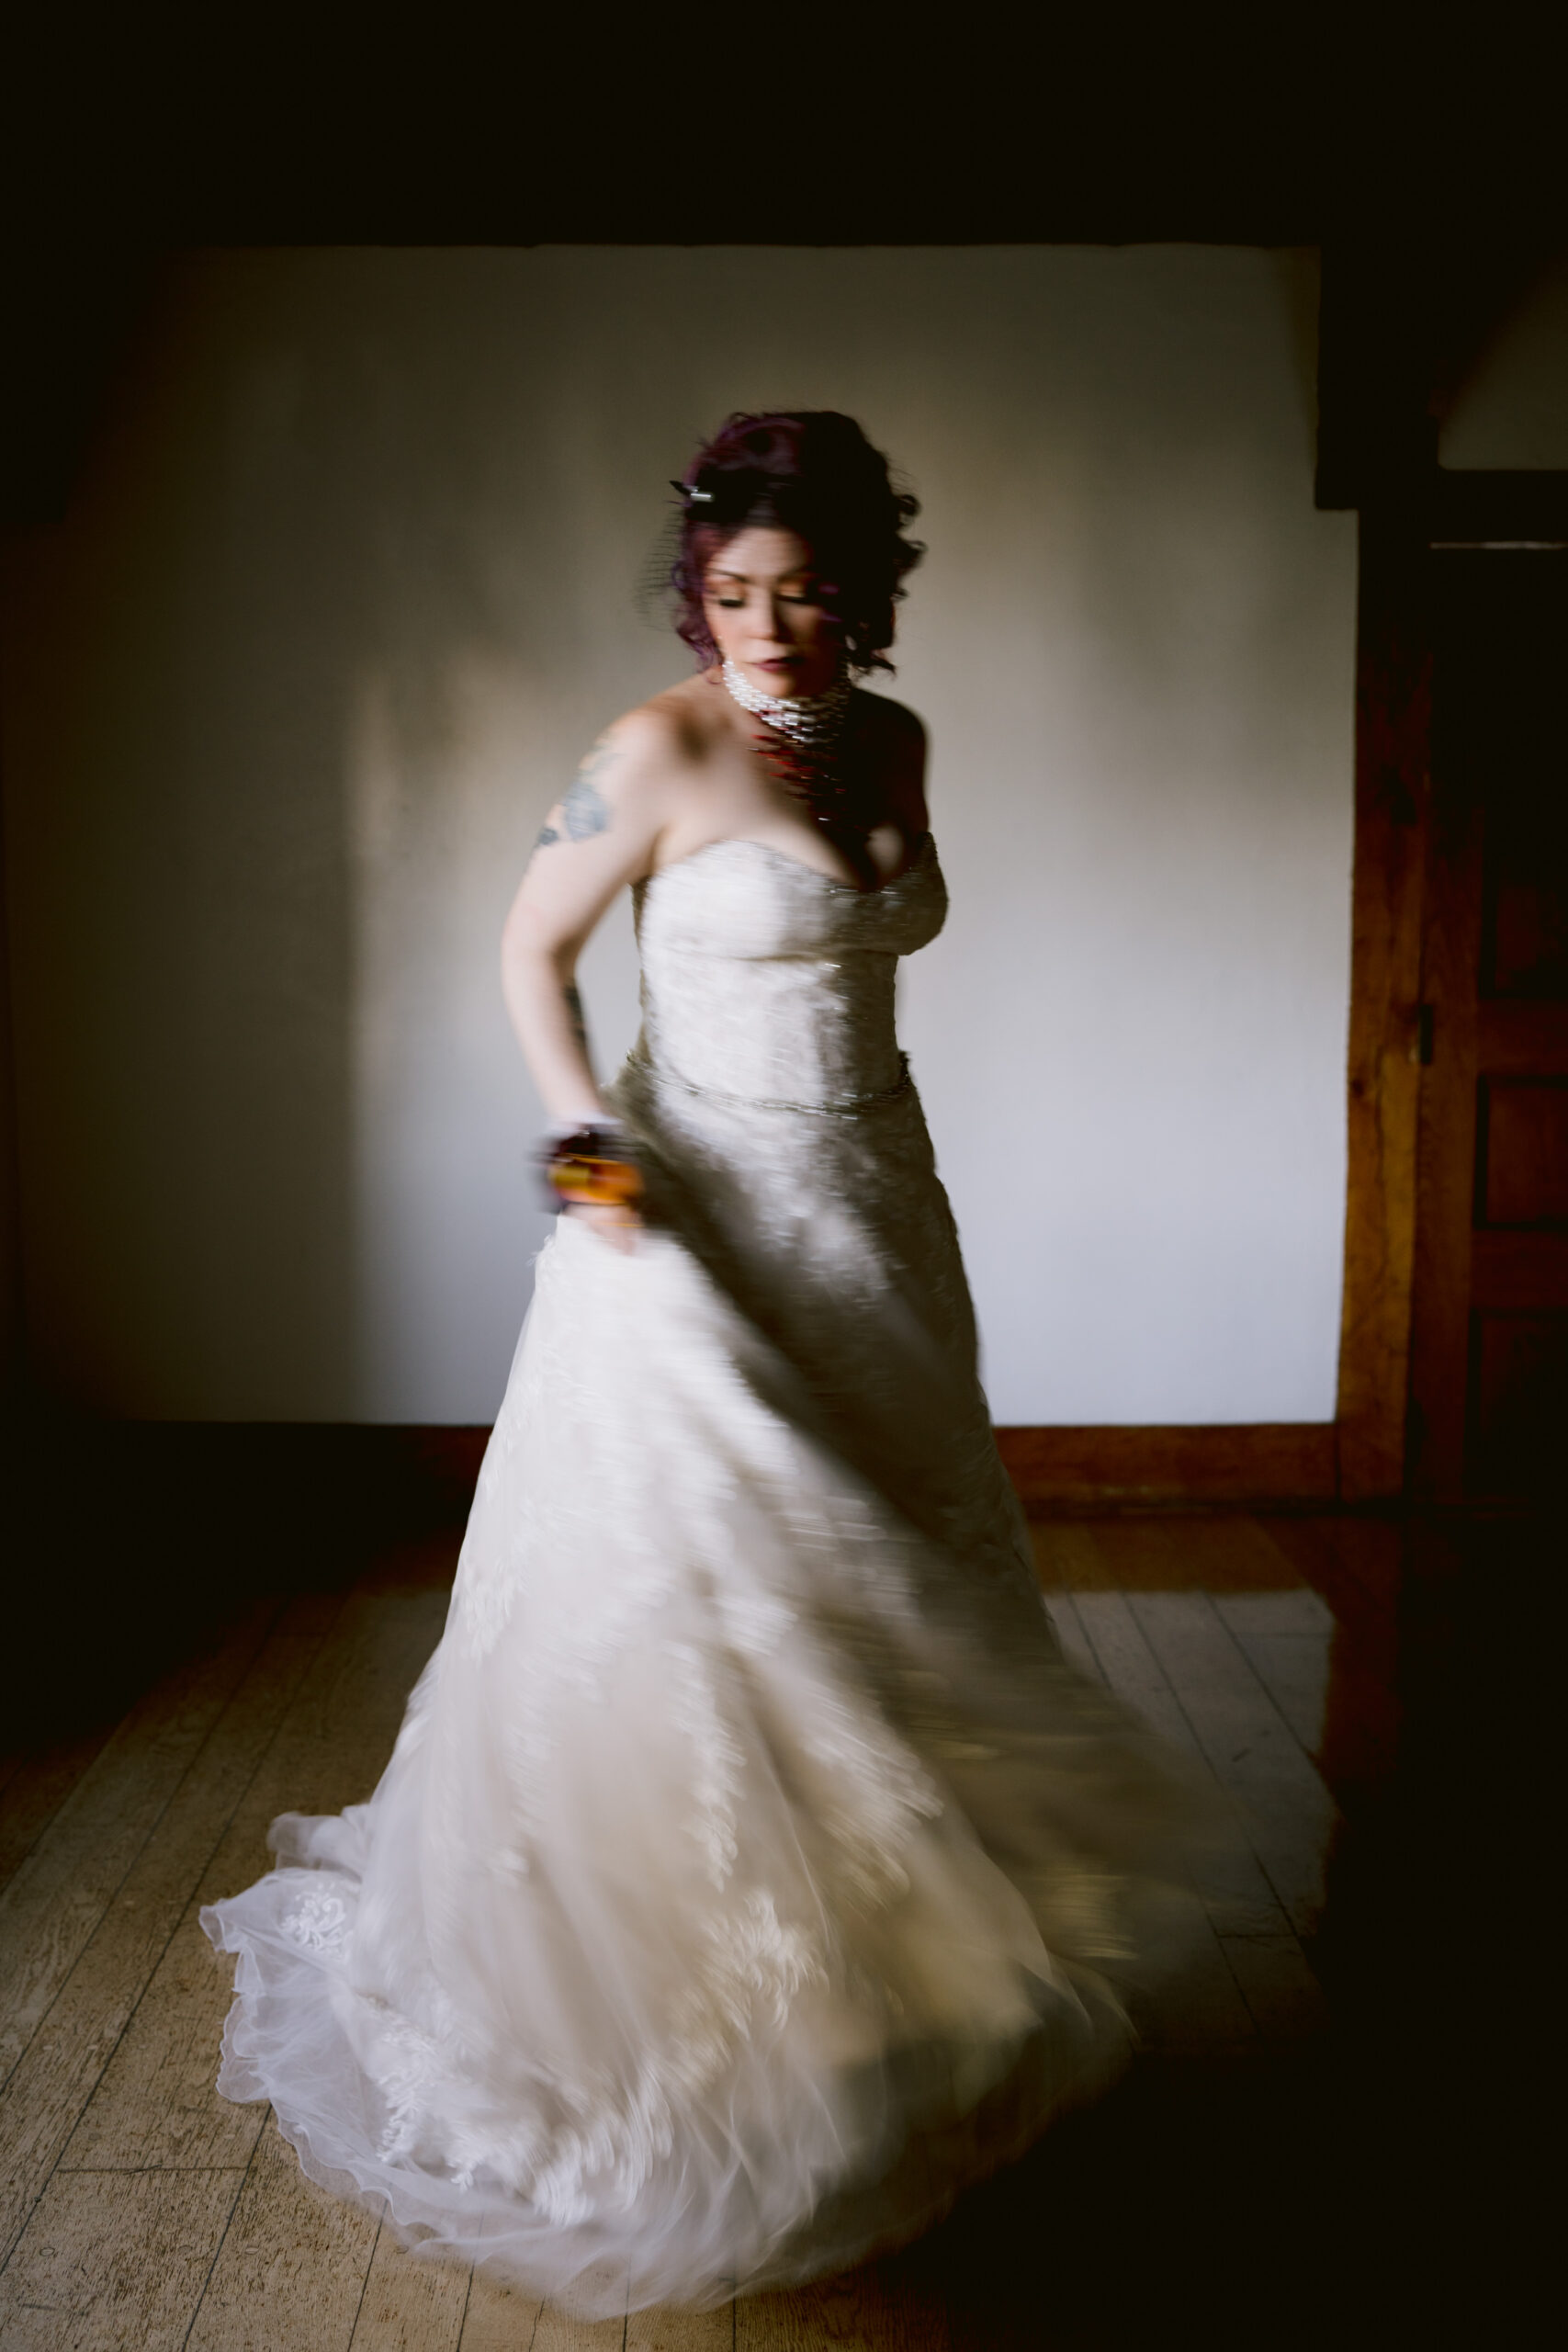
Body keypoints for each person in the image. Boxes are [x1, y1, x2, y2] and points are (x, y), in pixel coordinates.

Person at [202, 411, 1211, 2318]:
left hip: (874, 1206)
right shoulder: (645, 748)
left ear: (867, 592)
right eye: (737, 595)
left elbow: (883, 918)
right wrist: (591, 1159)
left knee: (894, 1575)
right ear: (697, 590)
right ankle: (696, 2008)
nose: (773, 630)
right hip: (690, 1213)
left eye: (812, 594)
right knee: (716, 1595)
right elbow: (529, 955)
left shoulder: (890, 738)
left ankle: (900, 2002)